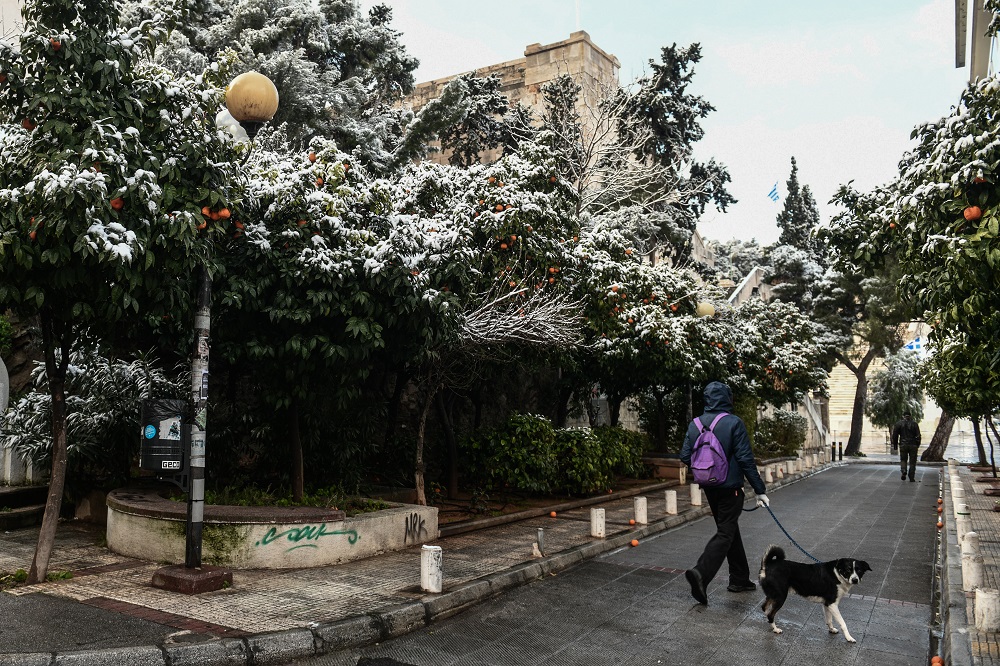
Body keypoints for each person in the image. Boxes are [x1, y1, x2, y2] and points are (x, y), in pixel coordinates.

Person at [680, 381, 769, 605]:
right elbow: (746, 460)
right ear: (727, 398)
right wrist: (760, 490)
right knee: (726, 533)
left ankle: (739, 579)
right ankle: (701, 573)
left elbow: (684, 456)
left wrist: (707, 465)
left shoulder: (695, 424)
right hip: (730, 489)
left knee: (729, 529)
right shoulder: (733, 423)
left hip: (709, 487)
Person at [891, 412, 921, 482]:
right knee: (912, 462)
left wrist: (895, 445)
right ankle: (911, 477)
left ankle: (904, 470)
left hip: (903, 444)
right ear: (910, 416)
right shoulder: (915, 424)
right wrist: (918, 444)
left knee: (903, 459)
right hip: (913, 445)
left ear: (903, 416)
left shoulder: (899, 424)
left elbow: (895, 435)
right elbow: (918, 435)